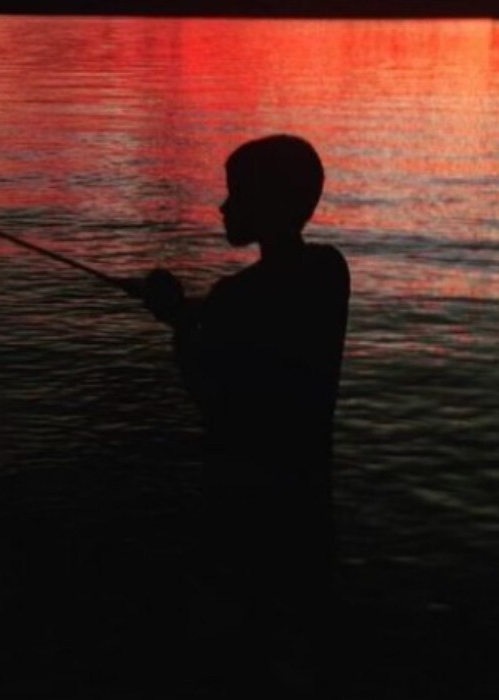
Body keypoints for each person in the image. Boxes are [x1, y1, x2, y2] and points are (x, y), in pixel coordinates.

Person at [142, 134, 350, 689]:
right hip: (308, 492)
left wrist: (181, 326)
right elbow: (265, 300)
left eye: (237, 195)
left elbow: (211, 396)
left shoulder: (238, 297)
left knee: (241, 643)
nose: (223, 207)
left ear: (269, 204)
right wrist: (196, 311)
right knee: (304, 635)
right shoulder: (331, 273)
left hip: (243, 496)